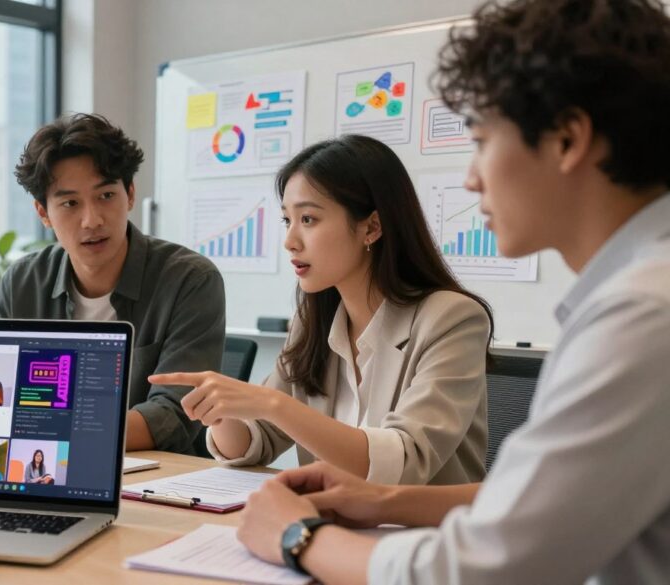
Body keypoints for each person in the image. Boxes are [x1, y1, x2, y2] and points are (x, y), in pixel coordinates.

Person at [236, 0, 670, 583]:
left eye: (483, 141)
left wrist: (298, 538)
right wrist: (380, 500)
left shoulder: (643, 316)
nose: (470, 178)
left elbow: (487, 566)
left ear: (567, 140)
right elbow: (534, 502)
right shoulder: (639, 296)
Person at [152, 134, 493, 486]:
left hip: (425, 521)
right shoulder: (314, 320)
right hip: (332, 516)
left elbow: (405, 461)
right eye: (287, 220)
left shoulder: (453, 319)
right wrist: (221, 412)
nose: (290, 241)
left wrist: (275, 405)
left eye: (308, 219)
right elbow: (259, 439)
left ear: (371, 227)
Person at [0, 113, 226, 456]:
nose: (92, 220)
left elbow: (174, 414)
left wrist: (52, 431)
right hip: (41, 467)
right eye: (70, 203)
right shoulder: (21, 284)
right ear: (43, 213)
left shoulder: (190, 280)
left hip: (154, 476)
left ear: (130, 194)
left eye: (106, 196)